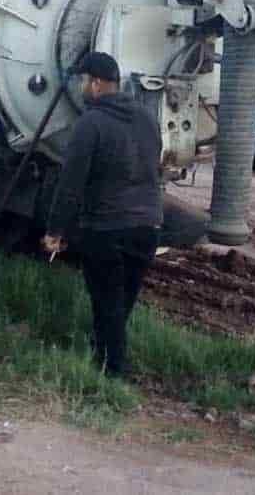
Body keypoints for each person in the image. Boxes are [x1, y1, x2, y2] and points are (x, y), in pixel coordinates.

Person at [42, 52, 163, 377]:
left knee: (107, 301)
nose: (82, 87)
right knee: (121, 302)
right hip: (148, 225)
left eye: (83, 81)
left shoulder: (90, 123)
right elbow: (155, 164)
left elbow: (71, 184)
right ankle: (106, 356)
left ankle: (113, 372)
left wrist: (55, 231)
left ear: (96, 83)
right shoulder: (147, 118)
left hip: (108, 227)